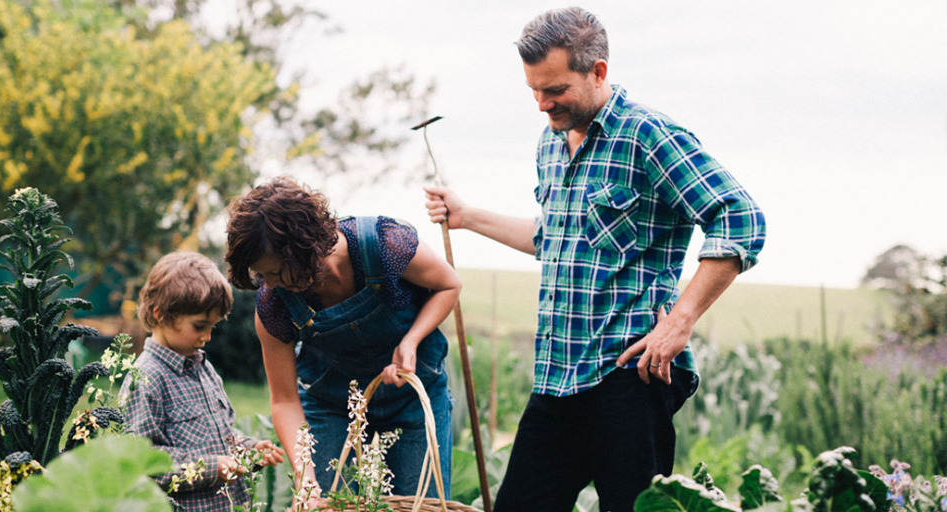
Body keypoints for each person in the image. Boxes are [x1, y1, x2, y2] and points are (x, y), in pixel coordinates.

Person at [424, 7, 766, 512]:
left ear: (598, 71)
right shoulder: (550, 143)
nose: (543, 104)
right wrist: (468, 215)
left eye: (555, 90)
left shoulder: (649, 136)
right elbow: (554, 239)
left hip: (629, 378)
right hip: (556, 378)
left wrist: (680, 321)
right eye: (534, 91)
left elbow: (740, 218)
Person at [224, 176, 461, 503]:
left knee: (422, 505)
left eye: (276, 272)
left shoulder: (384, 245)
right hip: (332, 408)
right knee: (322, 505)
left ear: (303, 250)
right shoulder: (274, 305)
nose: (271, 284)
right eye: (263, 275)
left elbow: (449, 285)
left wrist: (411, 341)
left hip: (412, 397)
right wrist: (306, 480)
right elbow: (284, 400)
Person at [122, 251, 286, 512]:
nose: (208, 336)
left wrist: (249, 449)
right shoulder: (146, 379)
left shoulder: (204, 369)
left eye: (213, 326)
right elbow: (142, 462)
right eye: (199, 326)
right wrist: (212, 468)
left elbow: (221, 438)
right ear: (161, 314)